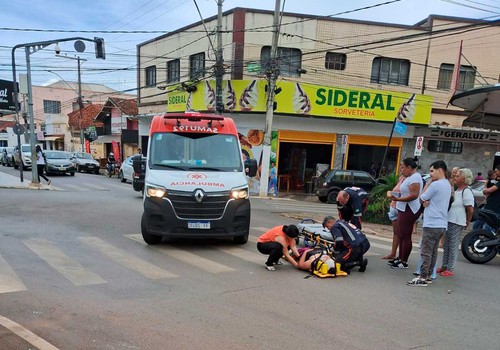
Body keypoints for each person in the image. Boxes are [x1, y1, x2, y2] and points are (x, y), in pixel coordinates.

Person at [407, 160, 451, 287]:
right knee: (433, 252)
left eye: (432, 171)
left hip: (432, 223)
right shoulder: (447, 184)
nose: (430, 174)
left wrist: (429, 183)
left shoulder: (435, 185)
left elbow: (422, 197)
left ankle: (422, 276)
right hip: (441, 224)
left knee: (426, 251)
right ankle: (428, 276)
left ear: (440, 170)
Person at [437, 168, 474, 277]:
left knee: (452, 245)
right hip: (449, 220)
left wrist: (467, 221)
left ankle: (450, 268)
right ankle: (444, 265)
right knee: (447, 245)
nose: (455, 178)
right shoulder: (457, 190)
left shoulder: (466, 191)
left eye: (458, 176)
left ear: (464, 179)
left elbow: (470, 209)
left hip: (457, 222)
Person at [388, 157, 423, 269]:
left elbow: (413, 195)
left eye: (403, 168)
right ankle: (400, 257)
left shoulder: (415, 177)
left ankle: (404, 261)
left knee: (406, 235)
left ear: (409, 167)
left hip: (410, 209)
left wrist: (398, 199)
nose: (401, 170)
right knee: (401, 234)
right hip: (403, 208)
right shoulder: (408, 177)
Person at [382, 174, 405, 260]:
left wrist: (393, 194)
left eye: (403, 168)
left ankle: (402, 256)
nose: (401, 170)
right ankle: (393, 253)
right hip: (394, 206)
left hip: (401, 208)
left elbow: (405, 195)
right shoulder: (401, 178)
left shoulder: (411, 180)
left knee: (402, 233)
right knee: (396, 232)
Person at [473, 165, 500, 230]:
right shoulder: (494, 180)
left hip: (495, 209)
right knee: (477, 224)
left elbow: (489, 190)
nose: (495, 173)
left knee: (489, 228)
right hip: (488, 206)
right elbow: (486, 190)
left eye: (496, 171)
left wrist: (486, 190)